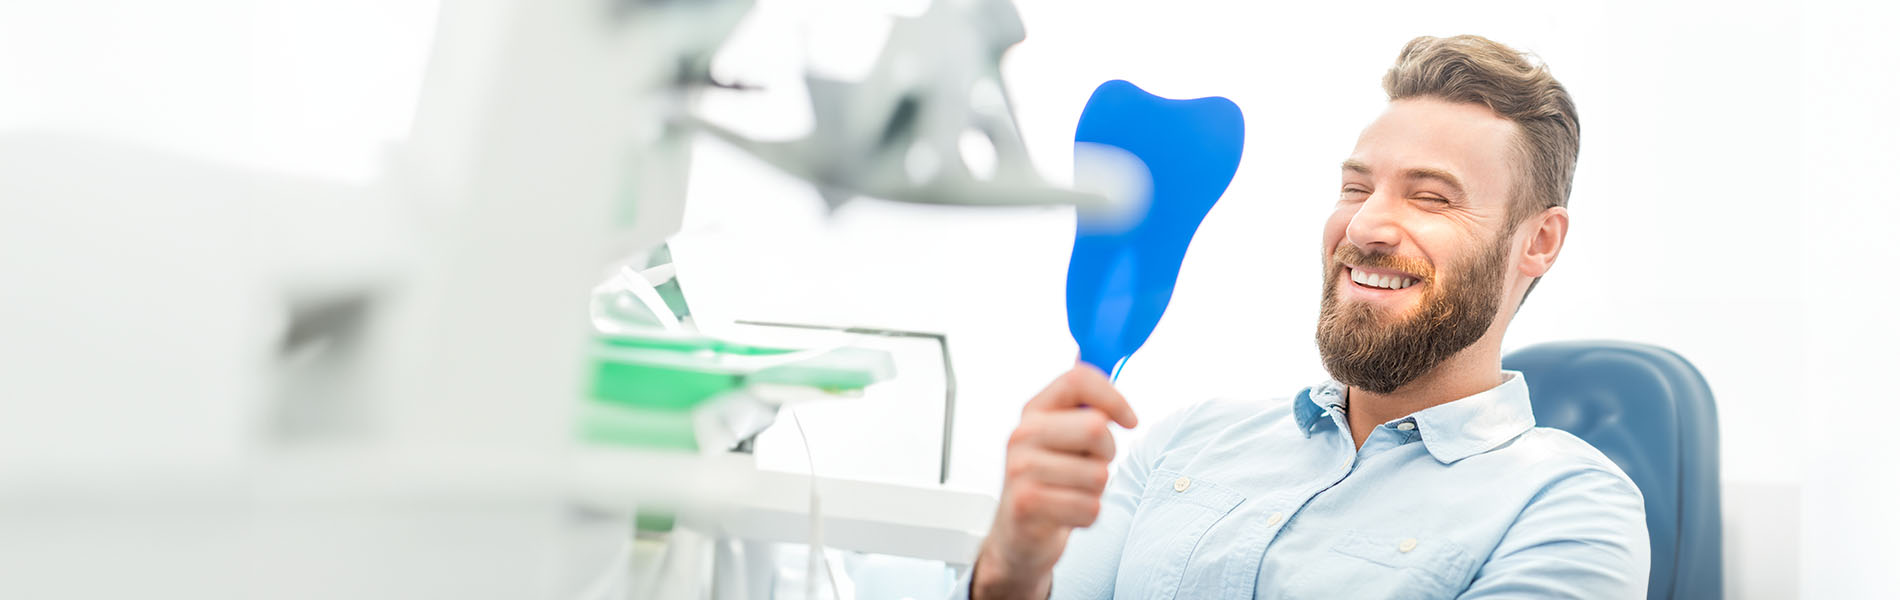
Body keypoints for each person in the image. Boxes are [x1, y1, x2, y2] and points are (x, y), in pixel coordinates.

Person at [961, 35, 1649, 598]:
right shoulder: (1186, 442)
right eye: (1355, 187)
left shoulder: (1570, 510)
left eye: (1432, 198)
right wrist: (1011, 571)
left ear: (1539, 242)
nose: (1368, 224)